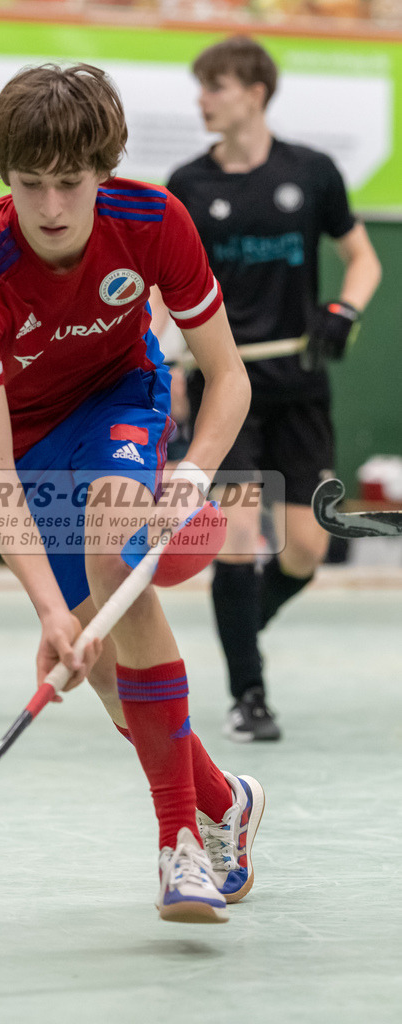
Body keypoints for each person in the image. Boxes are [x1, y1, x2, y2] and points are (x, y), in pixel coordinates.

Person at [0, 62, 264, 924]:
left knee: (120, 557)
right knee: (104, 663)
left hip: (119, 396)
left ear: (102, 171)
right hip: (22, 434)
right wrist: (49, 614)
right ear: (4, 178)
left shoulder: (153, 222)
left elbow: (228, 378)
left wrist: (185, 479)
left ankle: (177, 845)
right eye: (29, 185)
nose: (50, 209)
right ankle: (224, 801)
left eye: (69, 184)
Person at [163, 36, 382, 742]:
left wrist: (342, 310)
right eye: (201, 87)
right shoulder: (187, 186)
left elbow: (361, 261)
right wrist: (163, 362)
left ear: (253, 93)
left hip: (299, 387)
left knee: (304, 551)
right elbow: (167, 292)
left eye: (215, 86)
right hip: (225, 385)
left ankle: (241, 629)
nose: (203, 99)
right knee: (234, 534)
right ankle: (247, 696)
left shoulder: (311, 173)